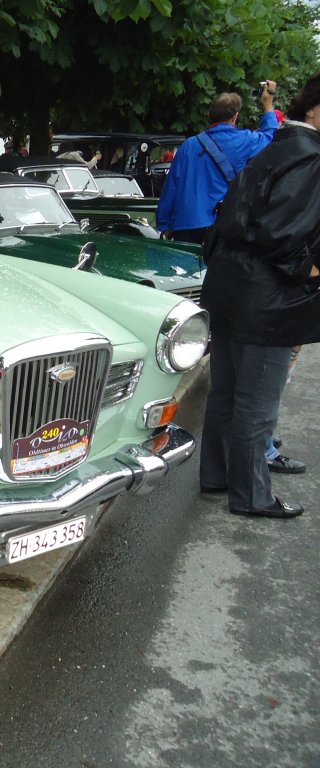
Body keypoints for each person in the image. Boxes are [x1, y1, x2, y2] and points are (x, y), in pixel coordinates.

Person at [197, 73, 320, 518]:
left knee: (226, 394)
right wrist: (312, 270)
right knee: (256, 403)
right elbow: (282, 234)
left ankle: (216, 475)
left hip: (230, 286)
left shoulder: (276, 147)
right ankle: (251, 495)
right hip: (265, 298)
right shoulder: (310, 156)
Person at [157, 84, 279, 244]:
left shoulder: (189, 145)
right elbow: (272, 137)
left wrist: (164, 224)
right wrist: (268, 104)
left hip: (185, 224)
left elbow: (171, 186)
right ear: (235, 117)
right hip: (222, 223)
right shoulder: (245, 140)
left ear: (209, 115)